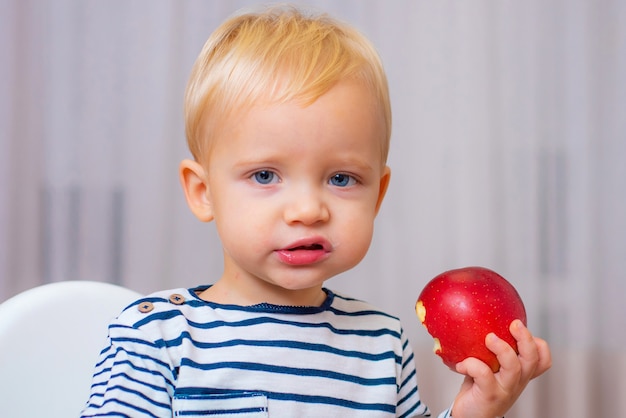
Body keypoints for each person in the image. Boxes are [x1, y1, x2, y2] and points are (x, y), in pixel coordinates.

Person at [81, 5, 551, 417]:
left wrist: (476, 412)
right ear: (203, 192)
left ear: (378, 195)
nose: (308, 210)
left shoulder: (381, 344)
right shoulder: (157, 334)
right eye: (265, 176)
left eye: (341, 179)